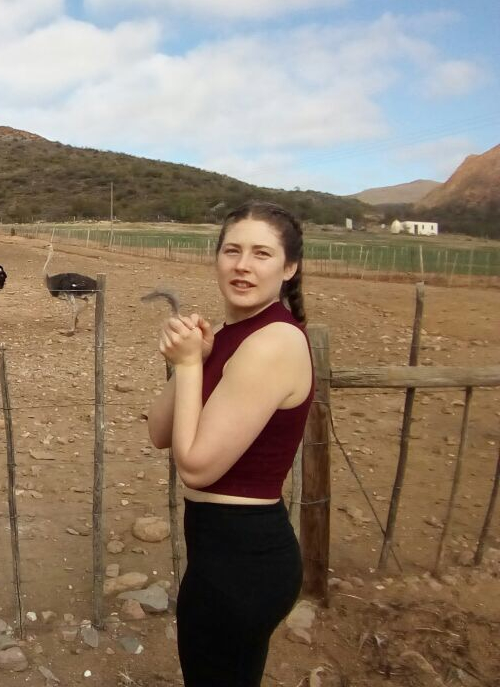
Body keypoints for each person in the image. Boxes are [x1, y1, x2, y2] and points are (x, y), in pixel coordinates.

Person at [147, 201, 314, 686]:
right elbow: (158, 432)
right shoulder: (228, 335)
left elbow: (196, 467)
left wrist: (191, 366)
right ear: (216, 258)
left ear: (289, 268)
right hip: (218, 550)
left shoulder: (274, 341)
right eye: (232, 250)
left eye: (262, 253)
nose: (243, 265)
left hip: (245, 559)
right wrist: (192, 360)